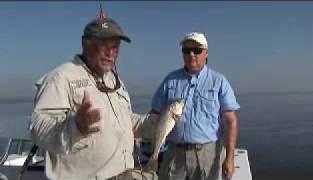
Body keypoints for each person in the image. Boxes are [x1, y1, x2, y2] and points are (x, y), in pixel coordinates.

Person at [30, 17, 156, 180]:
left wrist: (156, 123)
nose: (110, 53)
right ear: (85, 44)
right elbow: (38, 127)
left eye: (115, 47)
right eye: (103, 45)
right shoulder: (61, 77)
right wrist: (76, 126)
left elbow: (127, 120)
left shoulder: (114, 80)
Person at [150, 32, 240, 180]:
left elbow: (231, 121)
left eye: (197, 50)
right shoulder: (170, 80)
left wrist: (229, 158)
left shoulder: (219, 81)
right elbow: (154, 113)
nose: (191, 54)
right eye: (186, 50)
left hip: (207, 154)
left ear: (206, 53)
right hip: (174, 153)